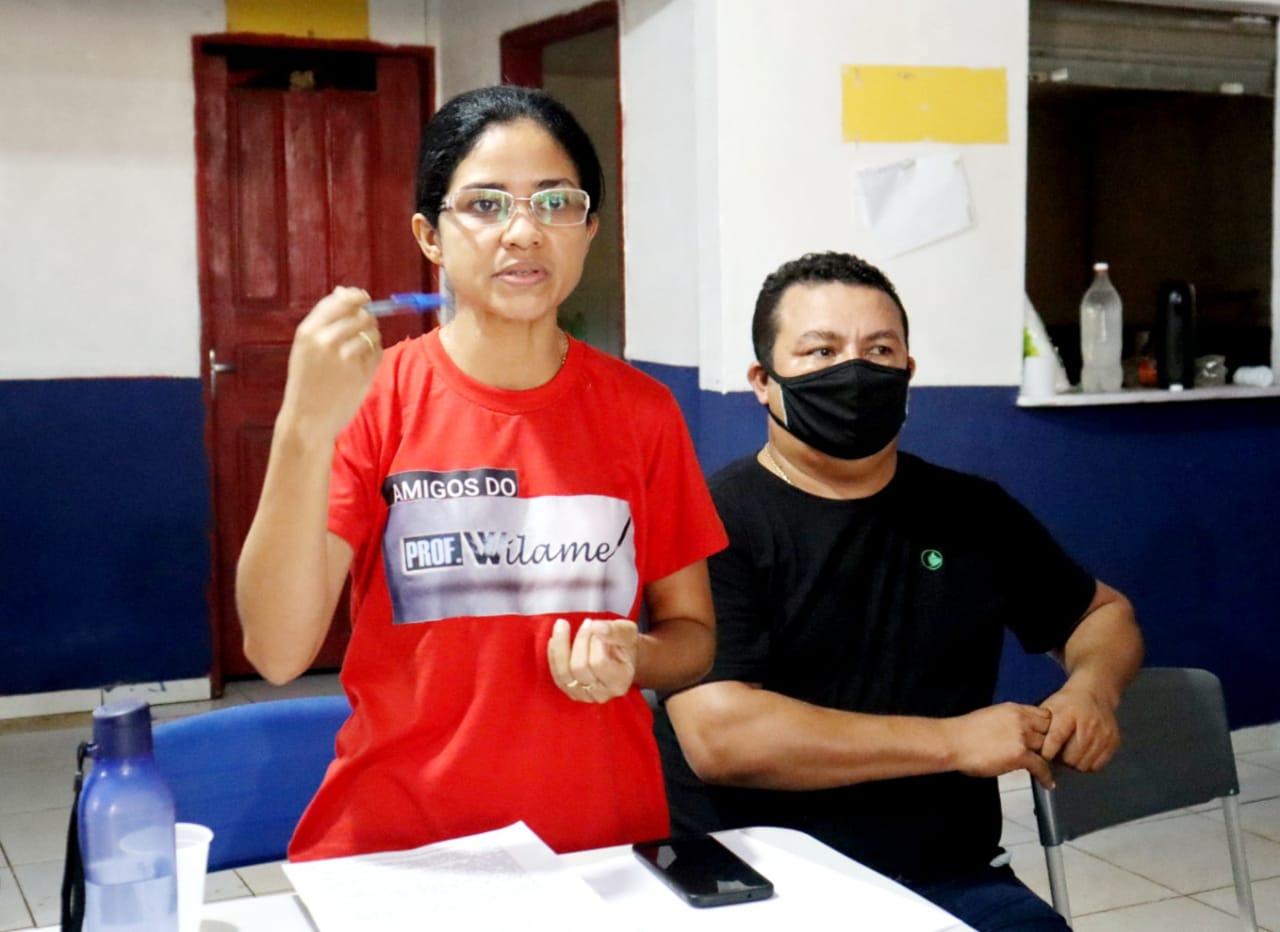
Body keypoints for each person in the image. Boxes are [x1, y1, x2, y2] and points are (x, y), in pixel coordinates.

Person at [236, 86, 726, 861]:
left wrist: (634, 658)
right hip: (401, 849)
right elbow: (276, 650)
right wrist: (304, 427)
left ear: (590, 229)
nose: (524, 232)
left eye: (556, 203)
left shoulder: (644, 411)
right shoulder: (375, 401)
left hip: (601, 844)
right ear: (430, 237)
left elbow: (692, 638)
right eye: (486, 204)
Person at [655, 252, 1144, 931]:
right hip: (768, 887)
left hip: (954, 879)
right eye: (821, 350)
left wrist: (1092, 689)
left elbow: (1102, 614)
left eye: (879, 350)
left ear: (909, 373)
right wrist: (953, 743)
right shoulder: (714, 523)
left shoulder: (973, 510)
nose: (855, 372)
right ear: (763, 382)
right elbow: (721, 735)